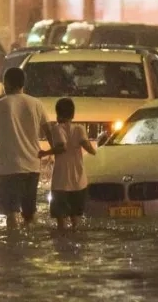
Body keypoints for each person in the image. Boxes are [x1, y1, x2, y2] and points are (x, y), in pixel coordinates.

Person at [0, 67, 55, 230]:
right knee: (29, 214)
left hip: (9, 169)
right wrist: (56, 153)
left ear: (7, 84)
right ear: (23, 84)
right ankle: (28, 247)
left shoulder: (0, 105)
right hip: (32, 167)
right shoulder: (36, 104)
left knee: (11, 214)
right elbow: (49, 133)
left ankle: (13, 248)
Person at [39, 98, 96, 231]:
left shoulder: (57, 129)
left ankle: (63, 248)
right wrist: (97, 147)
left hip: (61, 182)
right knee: (76, 220)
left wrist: (45, 152)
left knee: (61, 223)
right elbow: (89, 148)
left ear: (58, 114)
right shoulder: (80, 129)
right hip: (78, 182)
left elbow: (62, 147)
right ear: (73, 114)